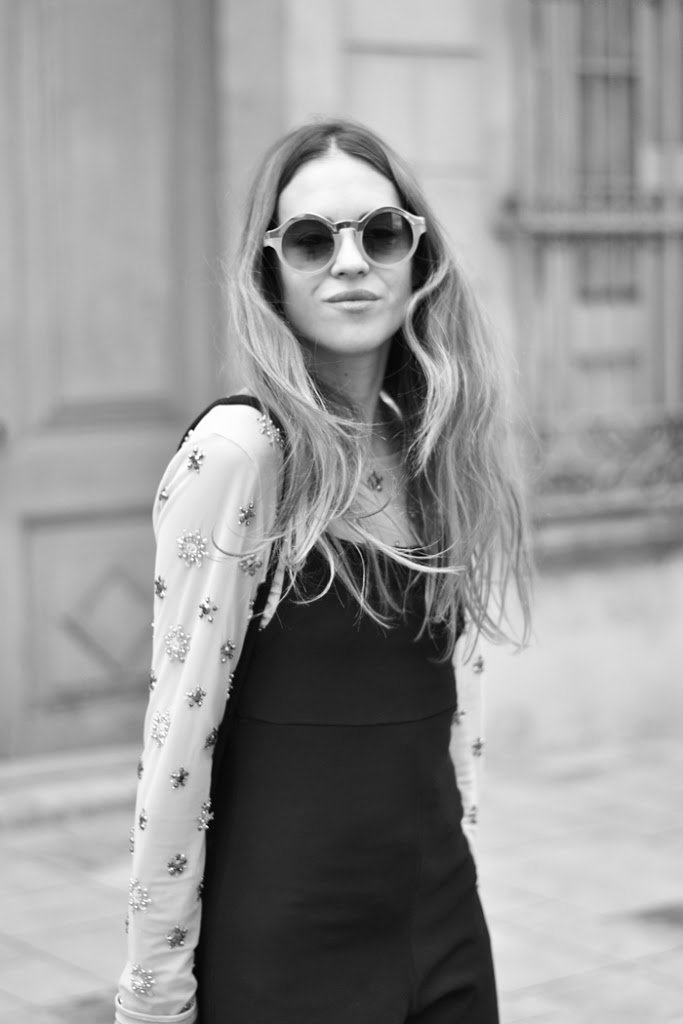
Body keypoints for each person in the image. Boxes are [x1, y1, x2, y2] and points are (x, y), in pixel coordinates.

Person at [115, 117, 531, 1024]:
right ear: (269, 272)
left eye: (379, 233)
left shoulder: (432, 443)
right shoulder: (242, 453)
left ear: (418, 256)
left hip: (442, 925)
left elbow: (450, 709)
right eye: (310, 239)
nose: (350, 263)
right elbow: (177, 744)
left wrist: (460, 845)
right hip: (290, 953)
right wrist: (153, 997)